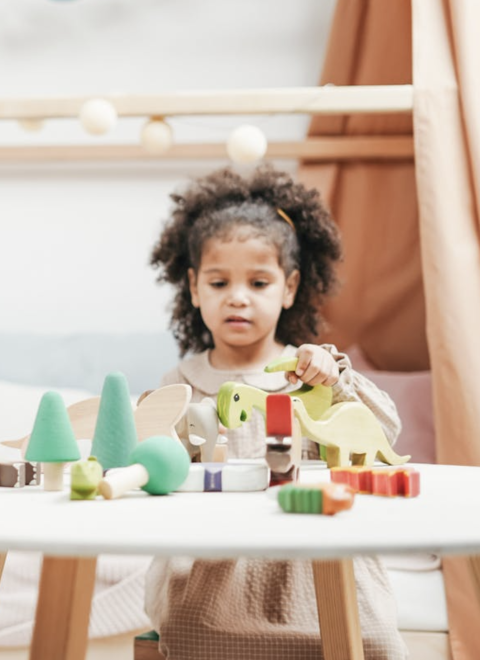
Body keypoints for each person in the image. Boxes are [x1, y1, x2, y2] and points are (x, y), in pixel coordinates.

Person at [145, 165, 407, 659]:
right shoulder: (179, 384)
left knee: (368, 637)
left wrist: (336, 376)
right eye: (220, 282)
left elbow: (384, 433)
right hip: (217, 564)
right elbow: (156, 471)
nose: (238, 297)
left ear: (288, 289)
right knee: (196, 635)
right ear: (195, 288)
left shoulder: (311, 371)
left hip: (309, 557)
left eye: (258, 282)